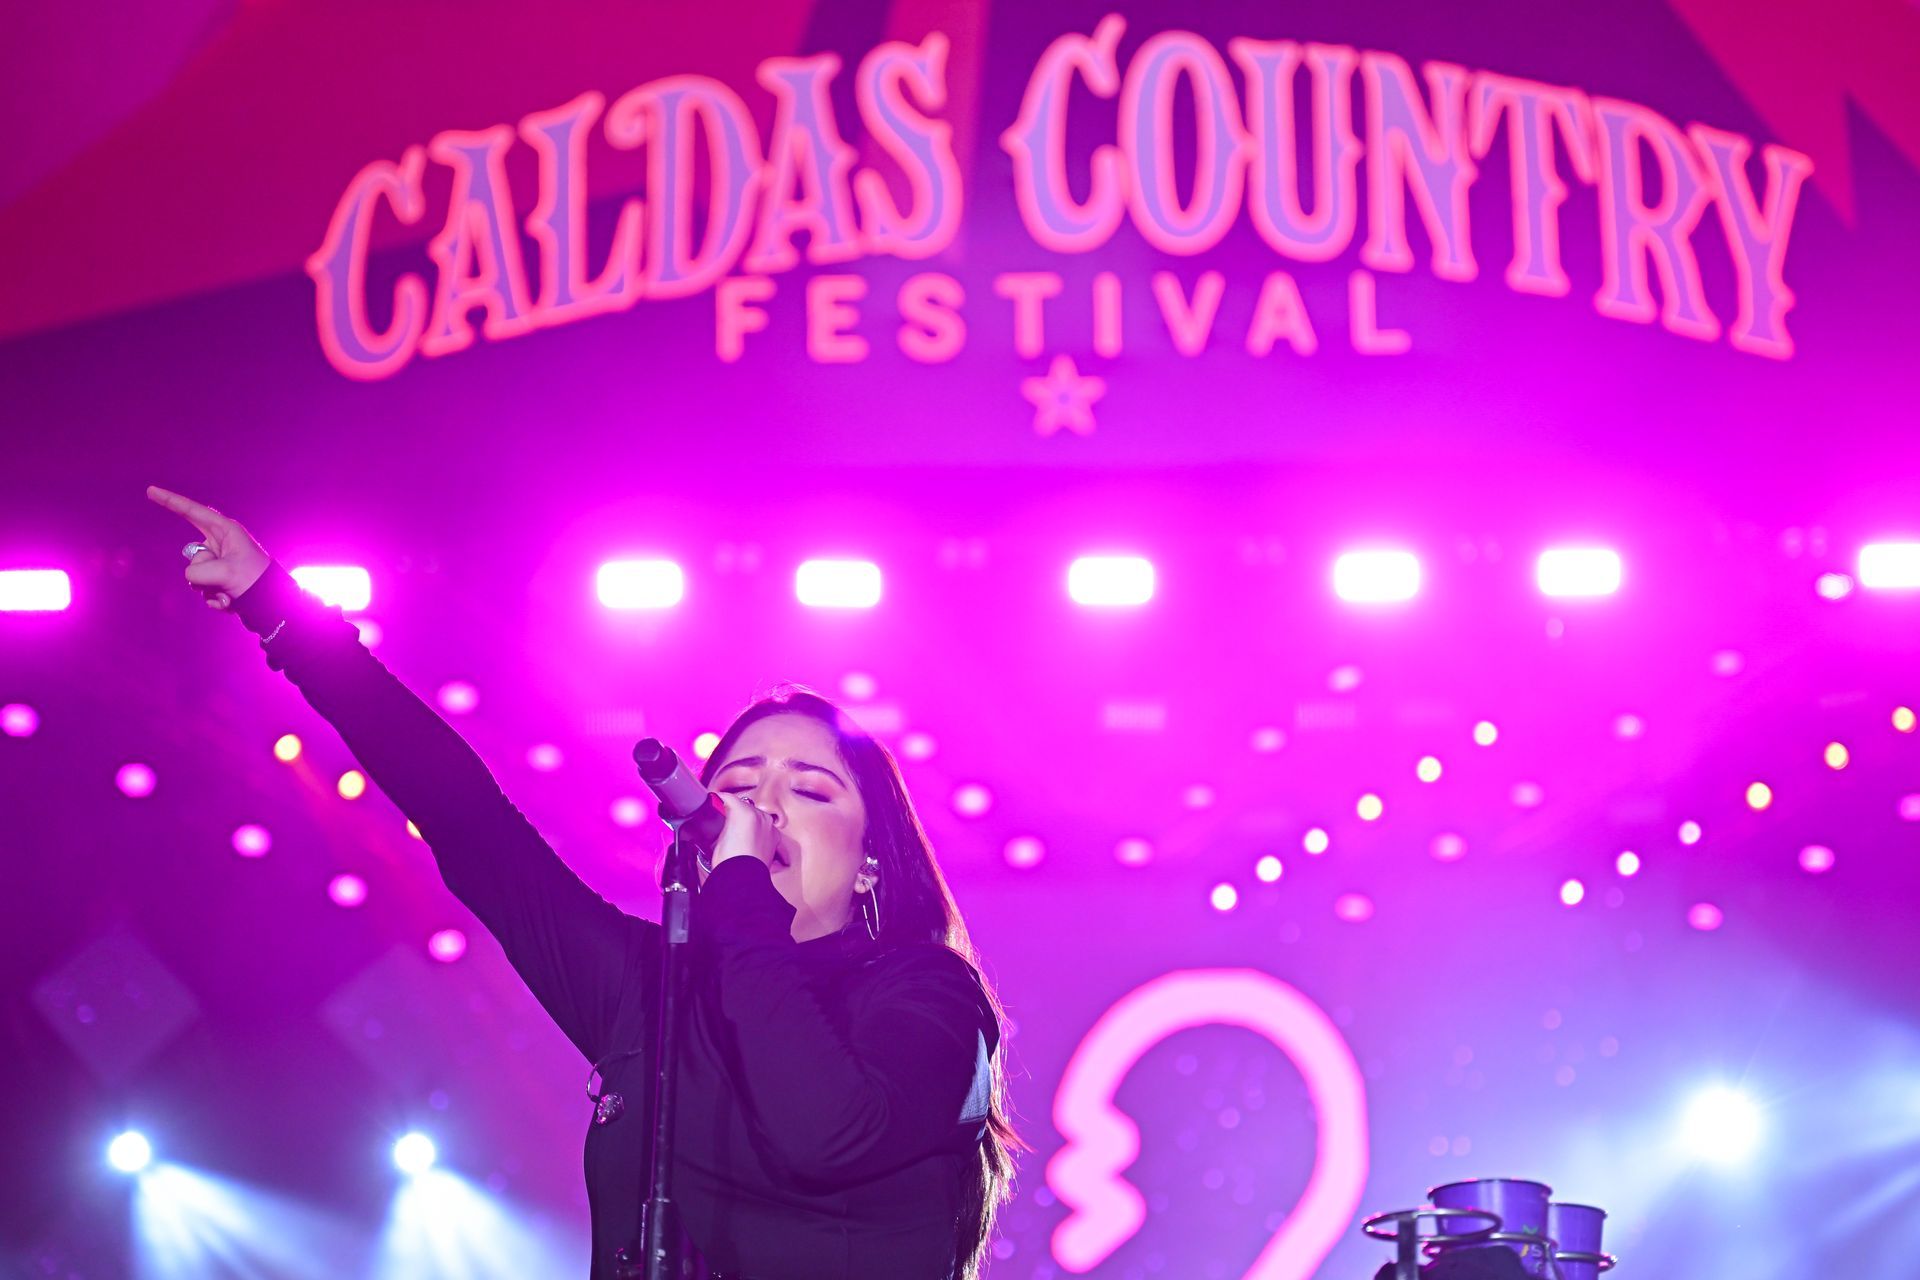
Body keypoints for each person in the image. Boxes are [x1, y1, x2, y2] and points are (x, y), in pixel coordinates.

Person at [146, 485, 1025, 1280]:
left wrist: (746, 902)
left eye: (810, 788)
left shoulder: (928, 997)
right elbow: (468, 820)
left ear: (873, 855)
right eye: (741, 783)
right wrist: (285, 614)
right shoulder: (649, 987)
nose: (763, 805)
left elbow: (829, 1132)